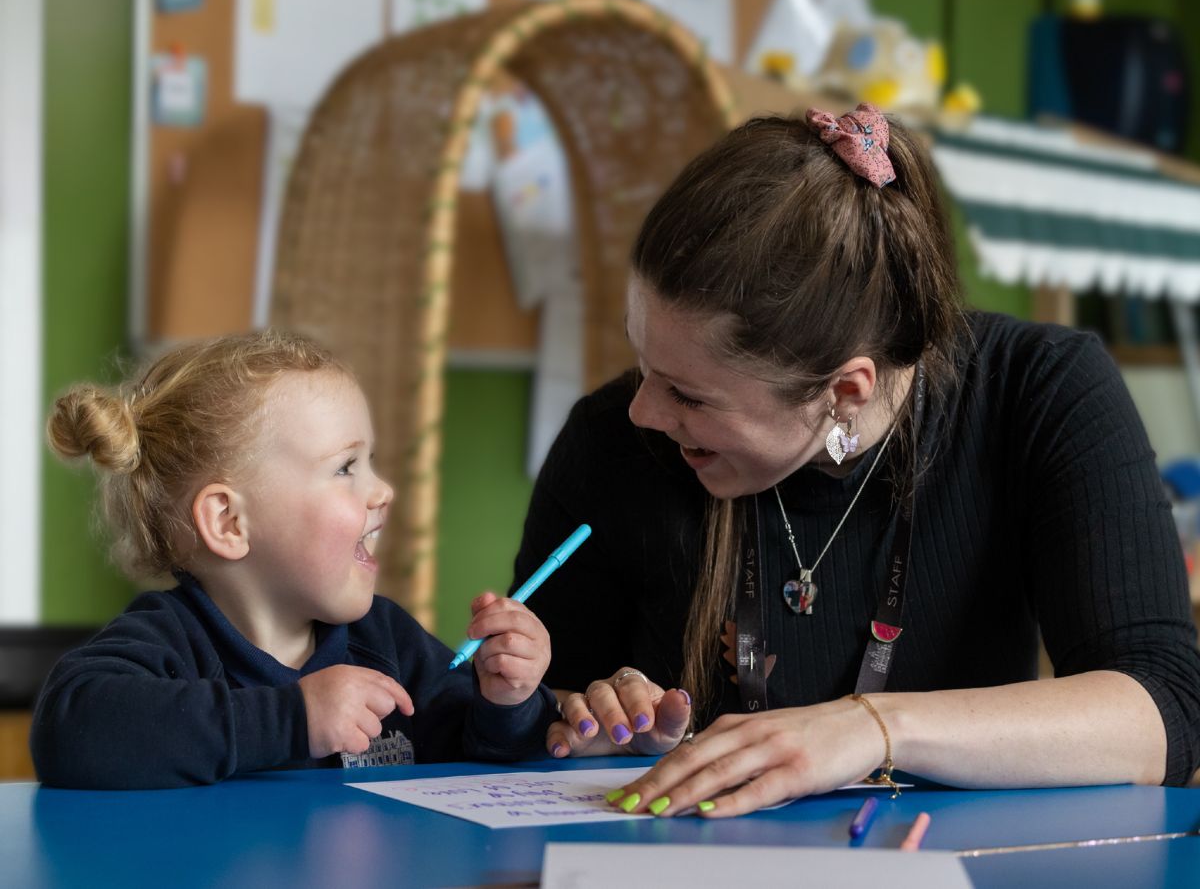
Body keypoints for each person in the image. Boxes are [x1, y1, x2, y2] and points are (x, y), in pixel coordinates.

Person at [517, 103, 1200, 816]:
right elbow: (526, 715)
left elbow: (1166, 710)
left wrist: (872, 728)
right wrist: (582, 716)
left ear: (845, 391)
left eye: (689, 395)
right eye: (641, 357)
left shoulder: (1042, 393)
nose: (643, 413)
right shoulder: (609, 442)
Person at [33, 331, 557, 789]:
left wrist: (506, 701)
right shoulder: (169, 642)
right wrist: (294, 718)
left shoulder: (386, 640)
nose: (384, 490)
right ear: (229, 523)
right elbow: (71, 730)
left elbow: (476, 754)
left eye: (369, 462)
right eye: (346, 467)